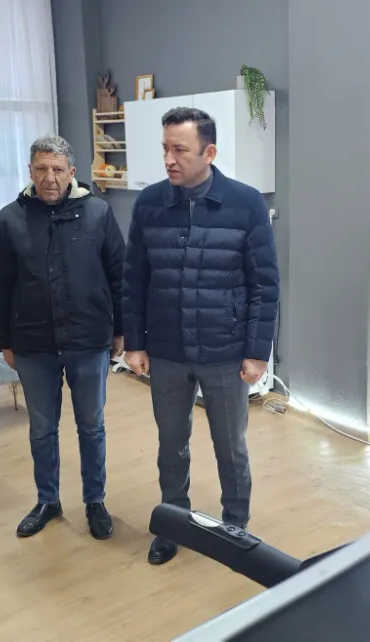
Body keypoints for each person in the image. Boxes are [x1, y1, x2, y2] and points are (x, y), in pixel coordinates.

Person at [123, 107, 280, 566]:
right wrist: (135, 342)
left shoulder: (246, 204)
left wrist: (257, 352)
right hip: (167, 350)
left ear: (209, 152)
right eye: (165, 149)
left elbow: (265, 284)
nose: (169, 159)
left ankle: (235, 528)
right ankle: (173, 524)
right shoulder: (149, 203)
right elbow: (134, 280)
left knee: (230, 448)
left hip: (225, 351)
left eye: (180, 150)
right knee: (171, 445)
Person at [0, 135, 126, 540]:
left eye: (58, 169)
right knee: (42, 429)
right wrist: (4, 340)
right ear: (30, 171)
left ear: (72, 172)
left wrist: (121, 329)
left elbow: (118, 275)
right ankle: (47, 500)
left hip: (89, 340)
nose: (50, 177)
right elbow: (0, 285)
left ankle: (95, 500)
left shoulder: (98, 213)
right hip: (33, 344)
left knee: (92, 426)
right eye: (41, 169)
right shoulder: (10, 219)